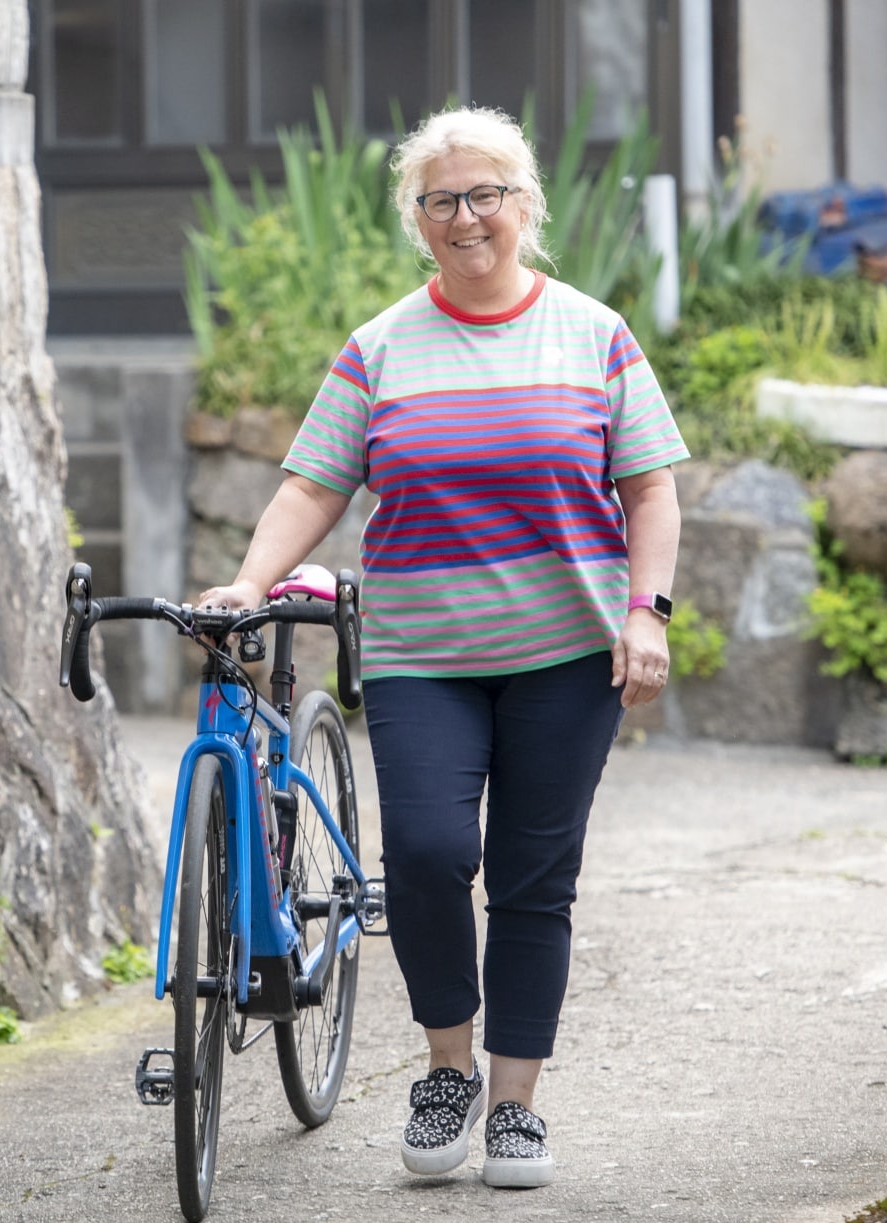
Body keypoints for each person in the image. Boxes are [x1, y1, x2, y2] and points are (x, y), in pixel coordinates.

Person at [198, 105, 688, 1189]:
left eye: (486, 195)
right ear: (417, 220)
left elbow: (650, 486)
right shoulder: (379, 347)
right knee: (423, 854)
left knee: (532, 874)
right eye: (441, 199)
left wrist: (646, 610)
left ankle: (514, 1102)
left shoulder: (593, 332)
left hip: (568, 656)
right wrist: (249, 576)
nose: (466, 217)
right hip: (423, 656)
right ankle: (446, 1066)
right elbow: (313, 482)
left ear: (525, 207)